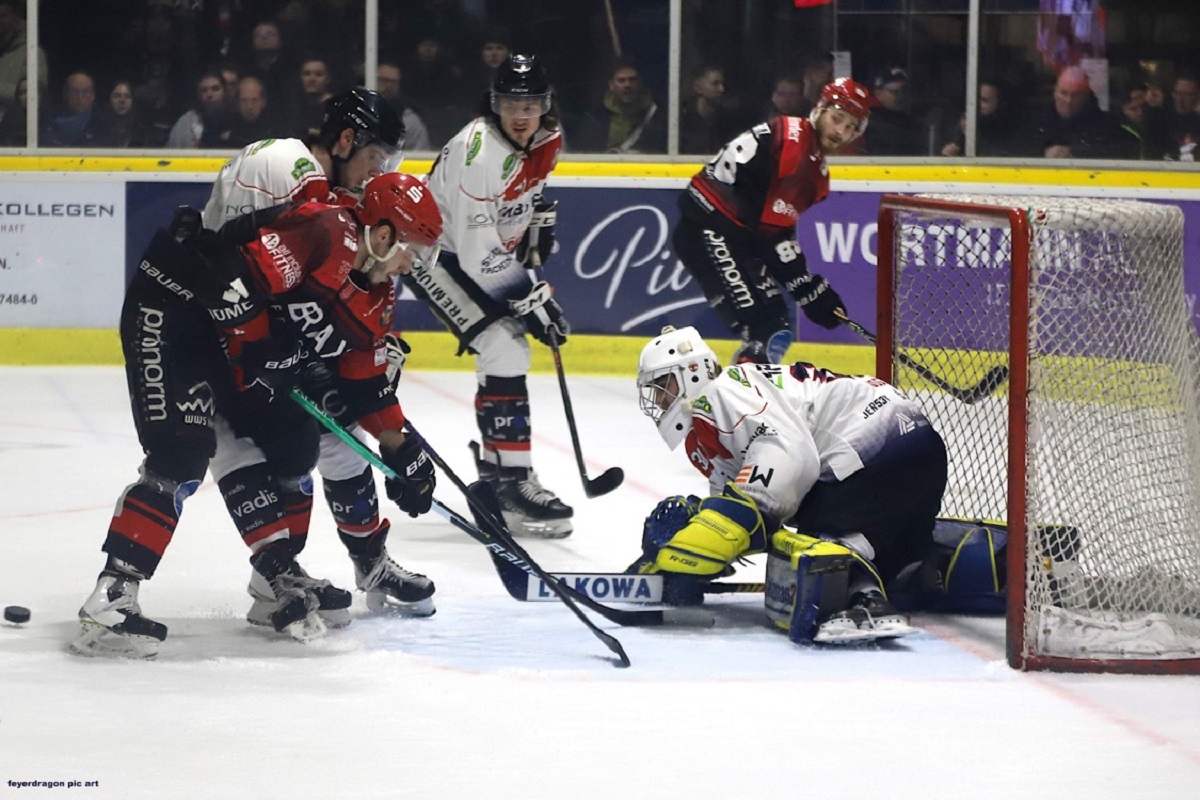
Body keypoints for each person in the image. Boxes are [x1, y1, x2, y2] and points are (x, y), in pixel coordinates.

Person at [71, 171, 443, 659]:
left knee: (296, 444)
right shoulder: (326, 230)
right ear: (384, 234)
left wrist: (402, 449)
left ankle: (277, 578)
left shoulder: (377, 294)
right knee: (182, 452)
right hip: (177, 317)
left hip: (233, 354)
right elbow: (230, 279)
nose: (410, 265)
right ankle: (112, 595)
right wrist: (263, 345)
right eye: (411, 250)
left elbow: (365, 381)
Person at [201, 89, 440, 629]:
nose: (379, 173)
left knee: (344, 429)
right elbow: (233, 268)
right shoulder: (288, 166)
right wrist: (274, 345)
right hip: (226, 336)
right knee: (263, 445)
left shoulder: (345, 212)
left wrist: (399, 441)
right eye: (376, 157)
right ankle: (274, 576)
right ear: (347, 139)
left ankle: (367, 562)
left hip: (274, 340)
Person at [627, 325, 949, 643]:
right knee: (891, 561)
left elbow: (789, 457)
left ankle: (865, 600)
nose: (659, 398)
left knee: (809, 555)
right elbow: (745, 515)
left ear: (692, 371)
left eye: (663, 385)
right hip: (917, 455)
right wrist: (691, 554)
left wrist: (712, 533)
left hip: (871, 452)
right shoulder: (721, 417)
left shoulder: (719, 393)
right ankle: (924, 568)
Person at [413, 53, 572, 538]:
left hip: (472, 250)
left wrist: (534, 225)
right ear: (494, 104)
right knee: (505, 346)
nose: (521, 116)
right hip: (432, 253)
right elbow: (478, 253)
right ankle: (512, 482)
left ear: (546, 105)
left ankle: (500, 473)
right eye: (510, 104)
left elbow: (522, 197)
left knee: (504, 351)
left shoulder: (549, 139)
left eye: (531, 105)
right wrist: (532, 301)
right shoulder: (477, 153)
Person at [671, 77, 870, 365]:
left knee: (773, 326)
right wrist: (809, 290)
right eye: (837, 119)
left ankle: (743, 386)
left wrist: (809, 290)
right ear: (820, 109)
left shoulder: (805, 152)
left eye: (851, 127)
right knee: (767, 330)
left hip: (725, 233)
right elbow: (771, 236)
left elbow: (774, 232)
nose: (841, 131)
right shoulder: (798, 149)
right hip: (711, 231)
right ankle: (741, 391)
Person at [1025, 65, 1137, 159]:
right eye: (1063, 93)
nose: (1068, 101)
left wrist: (1076, 152)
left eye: (1076, 95)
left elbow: (1126, 148)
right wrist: (1044, 152)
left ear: (1086, 96)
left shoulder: (1104, 123)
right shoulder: (1036, 120)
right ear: (1055, 93)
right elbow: (1018, 149)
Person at [577, 57, 665, 154]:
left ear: (640, 83)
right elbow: (586, 152)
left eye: (633, 80)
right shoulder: (595, 117)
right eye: (621, 80)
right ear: (611, 85)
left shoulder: (657, 116)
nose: (627, 85)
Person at [165, 69, 234, 149]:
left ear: (225, 92)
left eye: (215, 89)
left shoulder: (235, 120)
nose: (209, 94)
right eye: (204, 90)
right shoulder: (186, 122)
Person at [863, 66, 925, 156]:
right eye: (894, 91)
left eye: (903, 90)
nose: (900, 95)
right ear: (878, 93)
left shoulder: (912, 123)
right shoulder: (869, 125)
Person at [679, 64, 738, 155]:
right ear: (698, 88)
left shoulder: (726, 120)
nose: (722, 89)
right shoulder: (681, 118)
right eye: (715, 84)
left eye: (722, 84)